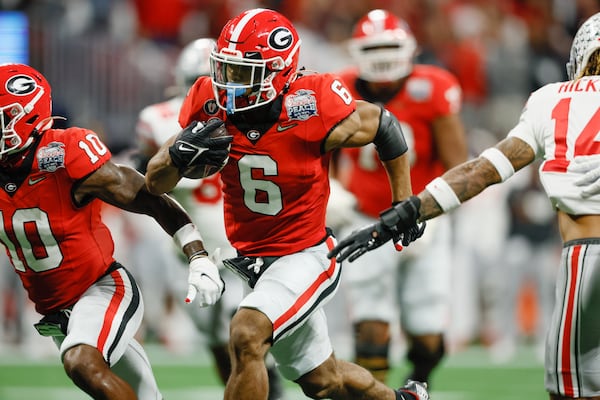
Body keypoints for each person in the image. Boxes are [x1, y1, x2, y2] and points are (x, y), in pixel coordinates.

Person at [145, 7, 429, 400]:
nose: (227, 83)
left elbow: (383, 124)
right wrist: (178, 154)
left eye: (241, 73)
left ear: (278, 72)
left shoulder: (311, 102)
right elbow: (154, 181)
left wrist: (404, 200)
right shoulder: (207, 99)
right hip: (252, 260)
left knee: (246, 333)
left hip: (306, 253)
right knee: (322, 379)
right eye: (223, 69)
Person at [328, 11, 600, 400]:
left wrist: (413, 210)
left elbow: (481, 171)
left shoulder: (551, 99)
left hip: (585, 256)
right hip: (369, 209)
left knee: (571, 389)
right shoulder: (344, 85)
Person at [0, 62, 224, 400]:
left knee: (81, 362)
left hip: (103, 290)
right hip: (57, 312)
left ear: (26, 117)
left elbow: (147, 196)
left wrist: (197, 253)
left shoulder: (64, 153)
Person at [134, 37, 284, 398]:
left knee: (244, 330)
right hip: (191, 244)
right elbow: (146, 179)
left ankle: (272, 389)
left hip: (239, 239)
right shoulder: (161, 119)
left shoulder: (250, 114)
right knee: (217, 339)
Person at [328, 9, 468, 385]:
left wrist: (433, 211)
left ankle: (419, 382)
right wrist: (331, 190)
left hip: (422, 220)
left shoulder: (434, 87)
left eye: (390, 45)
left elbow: (458, 164)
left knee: (427, 335)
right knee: (370, 328)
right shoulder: (338, 88)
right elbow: (320, 154)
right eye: (375, 47)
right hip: (365, 220)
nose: (383, 55)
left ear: (409, 49)